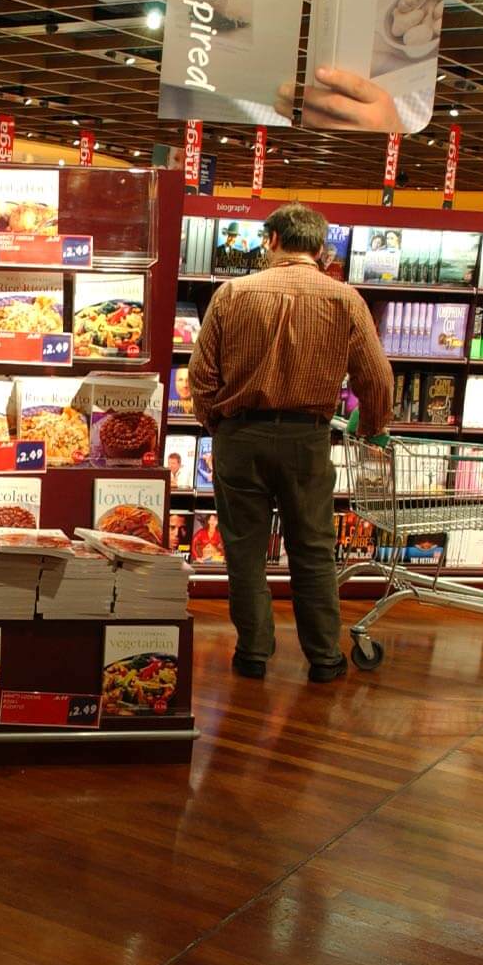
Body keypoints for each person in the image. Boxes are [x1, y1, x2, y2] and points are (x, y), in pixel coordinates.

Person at [188, 202, 392, 684]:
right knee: (313, 550)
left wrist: (218, 424)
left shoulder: (232, 294)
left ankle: (253, 654)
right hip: (308, 440)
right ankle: (324, 658)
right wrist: (371, 430)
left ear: (271, 241)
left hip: (241, 436)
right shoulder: (345, 299)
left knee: (243, 550)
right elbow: (377, 378)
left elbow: (201, 376)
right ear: (321, 249)